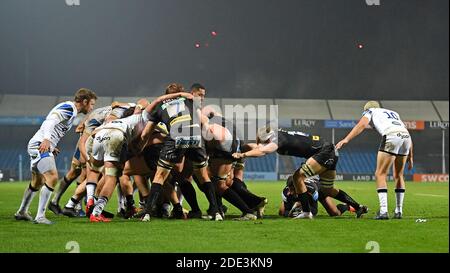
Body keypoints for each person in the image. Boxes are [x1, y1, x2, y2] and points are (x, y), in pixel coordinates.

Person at [233, 127, 368, 219]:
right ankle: (358, 207)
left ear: (268, 139)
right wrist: (244, 147)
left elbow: (263, 151)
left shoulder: (276, 140)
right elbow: (260, 148)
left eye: (263, 141)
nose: (262, 144)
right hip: (330, 150)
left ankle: (306, 212)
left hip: (324, 152)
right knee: (328, 189)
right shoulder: (278, 135)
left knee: (298, 177)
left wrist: (243, 154)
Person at [140, 83, 223, 221]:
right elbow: (203, 120)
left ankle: (147, 213)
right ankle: (216, 212)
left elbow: (145, 133)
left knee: (159, 176)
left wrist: (141, 145)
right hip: (196, 136)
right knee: (203, 177)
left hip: (177, 137)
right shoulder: (189, 100)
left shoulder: (159, 106)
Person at [14, 88, 97, 224]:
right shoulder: (69, 108)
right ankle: (40, 217)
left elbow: (54, 126)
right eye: (92, 104)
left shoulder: (70, 110)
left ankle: (22, 212)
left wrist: (51, 145)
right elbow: (50, 121)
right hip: (39, 144)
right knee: (52, 177)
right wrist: (47, 140)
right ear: (85, 101)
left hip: (39, 144)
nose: (92, 107)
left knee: (37, 182)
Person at [336, 101, 413, 220]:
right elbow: (404, 130)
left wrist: (346, 139)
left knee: (380, 174)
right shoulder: (394, 113)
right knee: (399, 175)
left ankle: (383, 211)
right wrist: (411, 157)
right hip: (406, 137)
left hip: (392, 135)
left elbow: (361, 125)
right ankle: (398, 211)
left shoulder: (371, 111)